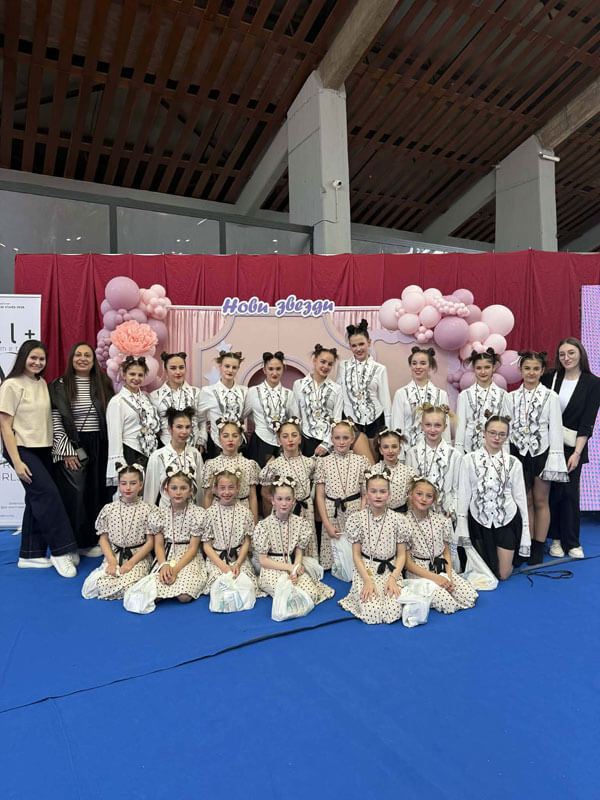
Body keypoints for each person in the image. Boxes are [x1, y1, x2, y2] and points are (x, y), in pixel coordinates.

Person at [0, 340, 78, 577]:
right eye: (33, 357)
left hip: (43, 448)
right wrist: (17, 461)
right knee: (48, 495)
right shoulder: (11, 385)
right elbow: (4, 425)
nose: (37, 362)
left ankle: (30, 554)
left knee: (36, 499)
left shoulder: (42, 383)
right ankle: (61, 551)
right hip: (22, 449)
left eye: (41, 359)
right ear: (23, 357)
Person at [49, 341, 114, 558]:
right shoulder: (59, 385)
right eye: (78, 354)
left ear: (94, 361)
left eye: (88, 355)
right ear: (71, 358)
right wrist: (67, 450)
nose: (83, 359)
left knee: (97, 492)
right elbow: (55, 418)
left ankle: (93, 540)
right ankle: (72, 544)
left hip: (101, 443)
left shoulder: (103, 383)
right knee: (75, 493)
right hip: (73, 443)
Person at [505, 351, 568, 565]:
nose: (531, 372)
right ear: (520, 370)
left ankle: (539, 545)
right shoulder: (510, 397)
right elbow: (506, 428)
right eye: (527, 368)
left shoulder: (551, 397)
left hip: (541, 452)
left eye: (535, 369)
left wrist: (555, 458)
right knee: (525, 500)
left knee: (541, 499)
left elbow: (555, 429)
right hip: (518, 452)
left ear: (542, 371)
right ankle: (526, 544)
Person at [542, 337, 600, 558]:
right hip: (548, 444)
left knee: (569, 494)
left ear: (580, 354)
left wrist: (577, 453)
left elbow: (587, 421)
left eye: (571, 353)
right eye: (562, 354)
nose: (566, 358)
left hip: (573, 446)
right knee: (552, 493)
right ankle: (555, 540)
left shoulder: (593, 383)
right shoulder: (550, 378)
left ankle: (572, 542)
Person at [457, 415, 530, 580]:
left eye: (502, 434)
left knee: (503, 575)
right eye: (492, 433)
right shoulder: (468, 460)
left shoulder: (514, 463)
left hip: (506, 520)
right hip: (479, 520)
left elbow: (521, 500)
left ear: (507, 436)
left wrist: (526, 533)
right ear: (484, 433)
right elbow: (464, 496)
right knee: (485, 574)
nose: (497, 438)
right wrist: (462, 530)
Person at [252, 476, 334, 606]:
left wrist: (294, 570)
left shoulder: (300, 523)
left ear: (294, 501)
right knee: (287, 592)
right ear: (272, 501)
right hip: (272, 567)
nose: (284, 503)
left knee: (312, 593)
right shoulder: (263, 526)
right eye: (279, 499)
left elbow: (299, 552)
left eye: (288, 499)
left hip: (293, 564)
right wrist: (289, 568)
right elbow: (263, 561)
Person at [338, 470, 407, 624]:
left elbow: (402, 555)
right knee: (372, 612)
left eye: (382, 491)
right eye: (373, 491)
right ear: (366, 494)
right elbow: (356, 555)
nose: (378, 495)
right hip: (366, 569)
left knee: (393, 611)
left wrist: (393, 579)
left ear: (389, 494)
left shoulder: (398, 520)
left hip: (390, 571)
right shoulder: (357, 519)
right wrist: (367, 580)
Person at [402, 478, 478, 614]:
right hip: (419, 572)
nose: (423, 499)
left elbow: (446, 552)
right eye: (419, 494)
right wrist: (436, 579)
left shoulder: (441, 520)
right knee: (448, 603)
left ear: (434, 500)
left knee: (470, 596)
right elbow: (407, 563)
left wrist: (448, 576)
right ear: (410, 494)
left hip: (441, 568)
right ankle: (423, 593)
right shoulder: (403, 523)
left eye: (429, 496)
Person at [93, 463, 155, 600]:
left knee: (131, 585)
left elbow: (150, 542)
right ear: (118, 485)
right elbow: (103, 539)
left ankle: (131, 589)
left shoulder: (148, 510)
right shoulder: (109, 509)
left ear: (140, 485)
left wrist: (131, 563)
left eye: (133, 483)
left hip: (138, 557)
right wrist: (112, 562)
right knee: (101, 584)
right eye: (123, 483)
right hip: (114, 555)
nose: (128, 488)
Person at [314, 419, 370, 569]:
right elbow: (320, 495)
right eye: (337, 438)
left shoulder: (361, 461)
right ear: (331, 439)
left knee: (354, 552)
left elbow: (365, 493)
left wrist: (360, 517)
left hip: (355, 510)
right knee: (335, 552)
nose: (341, 442)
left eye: (345, 438)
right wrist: (327, 524)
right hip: (331, 512)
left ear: (352, 439)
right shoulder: (323, 462)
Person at [259, 417, 318, 557]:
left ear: (300, 439)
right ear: (279, 440)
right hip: (285, 511)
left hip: (306, 509)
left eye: (294, 435)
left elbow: (311, 483)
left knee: (305, 543)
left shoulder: (310, 463)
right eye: (285, 436)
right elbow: (265, 492)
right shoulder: (274, 465)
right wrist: (280, 505)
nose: (290, 440)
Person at [149, 467, 207, 605]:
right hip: (167, 555)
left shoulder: (197, 513)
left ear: (190, 490)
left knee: (184, 596)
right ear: (166, 490)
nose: (178, 492)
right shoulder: (159, 514)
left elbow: (193, 548)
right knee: (154, 593)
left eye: (183, 488)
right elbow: (159, 545)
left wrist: (175, 570)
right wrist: (164, 565)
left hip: (188, 556)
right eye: (174, 488)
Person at [203, 469, 261, 598]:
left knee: (246, 584)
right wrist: (223, 566)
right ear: (216, 489)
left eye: (231, 487)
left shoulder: (245, 513)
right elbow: (206, 546)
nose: (227, 492)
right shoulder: (209, 514)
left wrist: (238, 564)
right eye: (222, 488)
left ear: (238, 488)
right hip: (217, 559)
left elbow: (246, 542)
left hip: (239, 558)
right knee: (220, 585)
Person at [337, 319, 390, 460]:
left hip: (376, 419)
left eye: (361, 344)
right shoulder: (342, 366)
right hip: (351, 419)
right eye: (354, 345)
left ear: (369, 342)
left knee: (376, 463)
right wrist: (337, 421)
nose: (358, 349)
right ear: (350, 346)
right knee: (361, 462)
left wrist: (389, 428)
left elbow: (385, 399)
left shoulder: (380, 369)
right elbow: (339, 396)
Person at [106, 356, 160, 485]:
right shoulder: (117, 402)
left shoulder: (145, 399)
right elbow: (114, 436)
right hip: (129, 451)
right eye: (132, 374)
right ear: (124, 375)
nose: (136, 378)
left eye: (140, 375)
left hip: (149, 452)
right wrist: (119, 462)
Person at [405, 404, 461, 519]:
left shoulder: (455, 455)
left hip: (445, 515)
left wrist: (453, 508)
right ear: (422, 425)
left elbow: (457, 488)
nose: (432, 429)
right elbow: (408, 486)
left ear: (445, 427)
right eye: (428, 425)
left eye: (437, 425)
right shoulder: (412, 453)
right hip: (418, 514)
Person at [246, 351, 299, 468]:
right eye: (270, 369)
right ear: (264, 370)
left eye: (278, 369)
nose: (274, 373)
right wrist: (260, 421)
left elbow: (295, 419)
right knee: (258, 476)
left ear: (283, 369)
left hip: (283, 443)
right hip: (260, 441)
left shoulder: (289, 394)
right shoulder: (253, 392)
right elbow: (245, 414)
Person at [143, 406, 203, 507]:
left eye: (187, 427)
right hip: (166, 513)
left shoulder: (195, 454)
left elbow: (200, 490)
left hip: (192, 514)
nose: (184, 431)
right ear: (169, 429)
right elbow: (149, 496)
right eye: (179, 427)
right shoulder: (157, 456)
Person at [201, 419, 259, 522]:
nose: (230, 439)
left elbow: (252, 497)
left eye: (235, 436)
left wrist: (254, 522)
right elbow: (208, 496)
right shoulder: (211, 464)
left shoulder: (249, 465)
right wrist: (206, 522)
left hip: (242, 514)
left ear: (240, 439)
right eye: (226, 436)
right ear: (219, 439)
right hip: (217, 514)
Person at [392, 346, 450, 448]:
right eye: (414, 363)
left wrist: (446, 450)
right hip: (407, 450)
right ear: (410, 366)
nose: (418, 367)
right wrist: (399, 453)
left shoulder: (441, 395)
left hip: (434, 450)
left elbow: (445, 429)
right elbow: (397, 426)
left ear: (430, 366)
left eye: (423, 363)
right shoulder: (401, 394)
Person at [293, 344, 343, 457]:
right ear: (314, 360)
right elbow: (295, 416)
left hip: (330, 442)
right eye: (323, 362)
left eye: (330, 364)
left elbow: (337, 420)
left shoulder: (337, 389)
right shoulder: (298, 385)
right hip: (305, 440)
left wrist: (326, 445)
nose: (326, 366)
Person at [455, 348, 508, 454]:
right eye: (479, 368)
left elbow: (506, 426)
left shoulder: (503, 395)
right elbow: (460, 426)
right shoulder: (465, 395)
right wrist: (459, 452)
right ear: (473, 369)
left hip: (496, 449)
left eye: (487, 367)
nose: (483, 372)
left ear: (493, 368)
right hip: (470, 449)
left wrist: (505, 453)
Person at [198, 350, 249, 459]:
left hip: (239, 444)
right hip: (216, 444)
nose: (230, 370)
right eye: (227, 366)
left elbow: (246, 413)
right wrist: (202, 438)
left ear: (238, 368)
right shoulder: (208, 391)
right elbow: (199, 418)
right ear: (220, 366)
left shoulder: (244, 391)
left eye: (234, 367)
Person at [150, 351, 205, 450]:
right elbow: (154, 426)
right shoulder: (155, 396)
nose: (178, 372)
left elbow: (202, 421)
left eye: (181, 367)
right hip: (166, 448)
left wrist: (201, 442)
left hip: (194, 448)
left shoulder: (196, 393)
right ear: (165, 370)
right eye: (173, 368)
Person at [370, 428, 415, 512]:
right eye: (386, 447)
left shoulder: (408, 472)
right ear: (380, 450)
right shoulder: (373, 471)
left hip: (401, 514)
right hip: (379, 513)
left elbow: (411, 499)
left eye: (394, 447)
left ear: (400, 449)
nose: (390, 451)